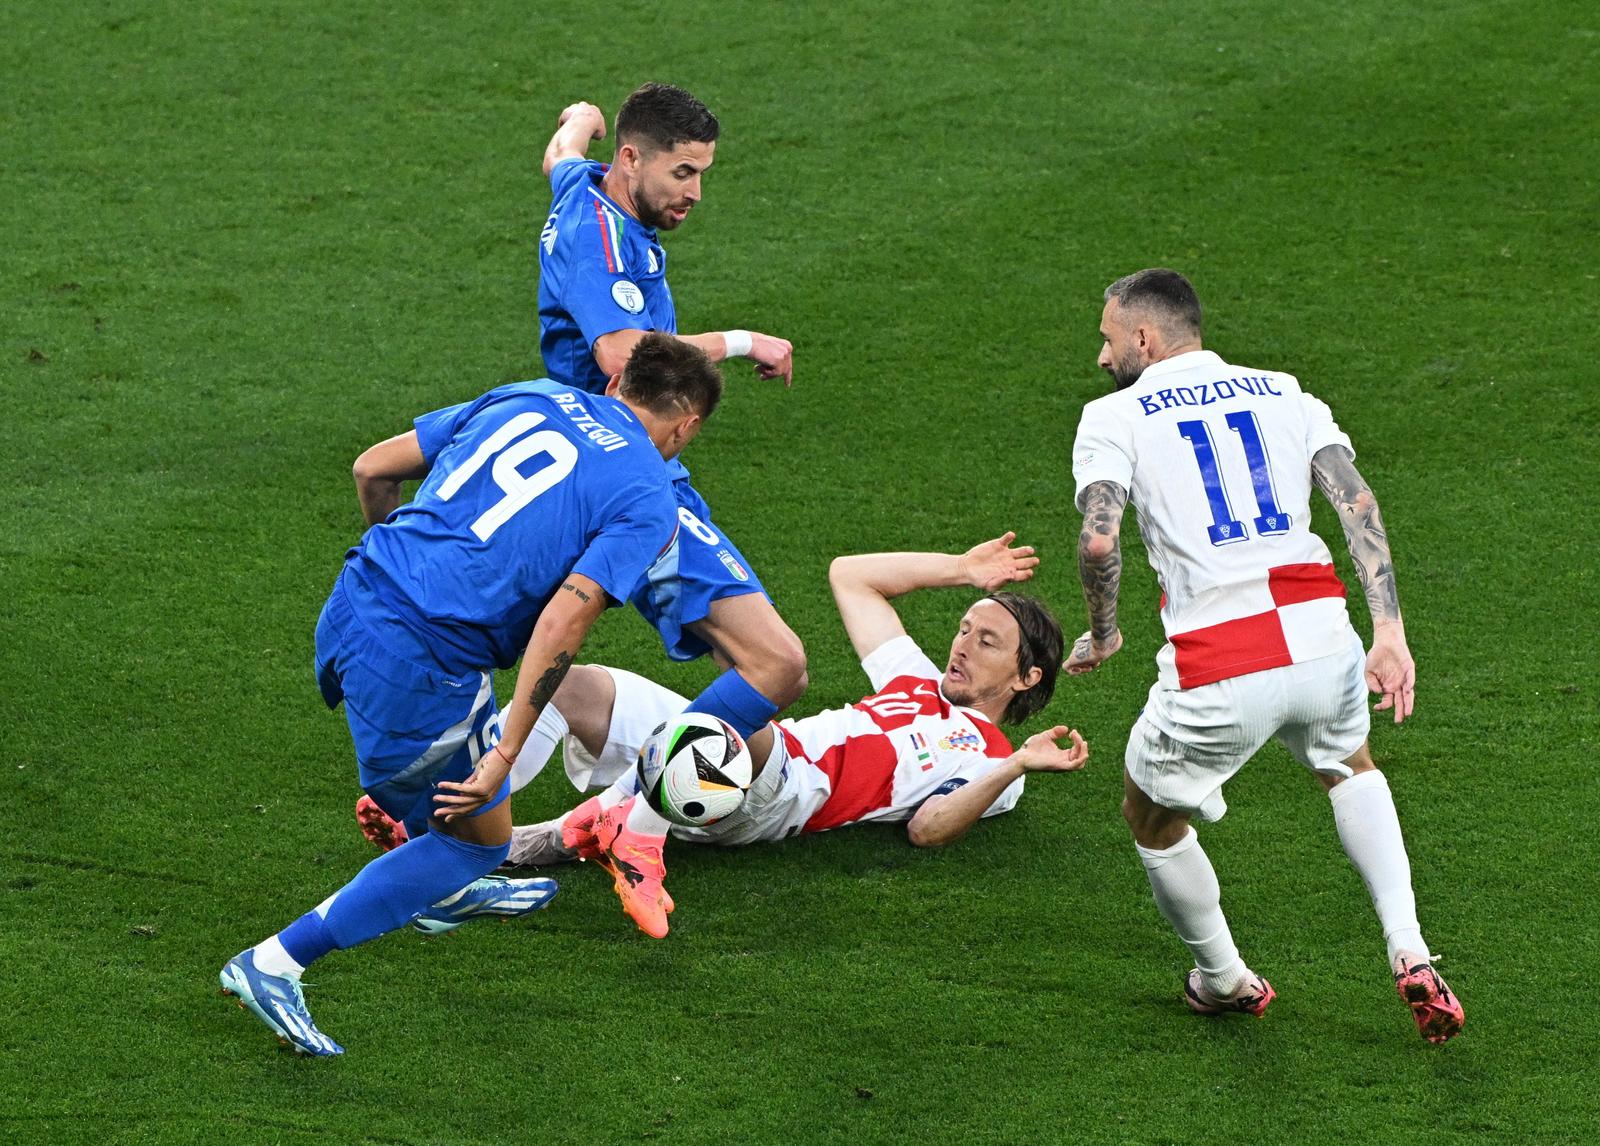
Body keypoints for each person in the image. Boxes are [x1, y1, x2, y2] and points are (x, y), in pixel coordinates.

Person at [219, 334, 724, 1056]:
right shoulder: (648, 497)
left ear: (616, 387)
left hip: (352, 599)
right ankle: (275, 962)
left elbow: (373, 468)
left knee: (474, 803)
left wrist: (403, 575)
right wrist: (510, 750)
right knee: (474, 843)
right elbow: (563, 620)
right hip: (419, 664)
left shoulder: (535, 395)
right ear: (686, 427)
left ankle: (441, 890)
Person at [1063, 268, 1463, 1044]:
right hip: (1321, 635)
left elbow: (1100, 536)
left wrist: (1106, 631)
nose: (1102, 358)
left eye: (1108, 340)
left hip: (1218, 662)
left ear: (1144, 338)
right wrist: (1390, 630)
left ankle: (1224, 980)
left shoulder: (1112, 416)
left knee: (1149, 817)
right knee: (1350, 764)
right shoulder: (1285, 391)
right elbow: (1358, 503)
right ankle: (1409, 947)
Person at [358, 534, 1088, 938]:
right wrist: (959, 570)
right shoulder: (916, 681)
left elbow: (929, 829)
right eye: (964, 629)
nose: (961, 645)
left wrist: (1017, 763)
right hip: (735, 757)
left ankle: (615, 829)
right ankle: (460, 836)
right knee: (572, 684)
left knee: (741, 710)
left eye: (987, 642)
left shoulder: (996, 761)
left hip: (781, 793)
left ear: (1025, 680)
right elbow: (849, 574)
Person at [533, 82, 807, 910]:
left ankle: (438, 802)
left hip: (583, 465)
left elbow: (559, 161)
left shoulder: (583, 186)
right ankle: (634, 818)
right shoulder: (604, 242)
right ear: (633, 159)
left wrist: (571, 122)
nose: (694, 193)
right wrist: (743, 340)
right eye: (683, 173)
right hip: (632, 473)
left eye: (702, 174)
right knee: (777, 664)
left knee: (736, 677)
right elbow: (622, 352)